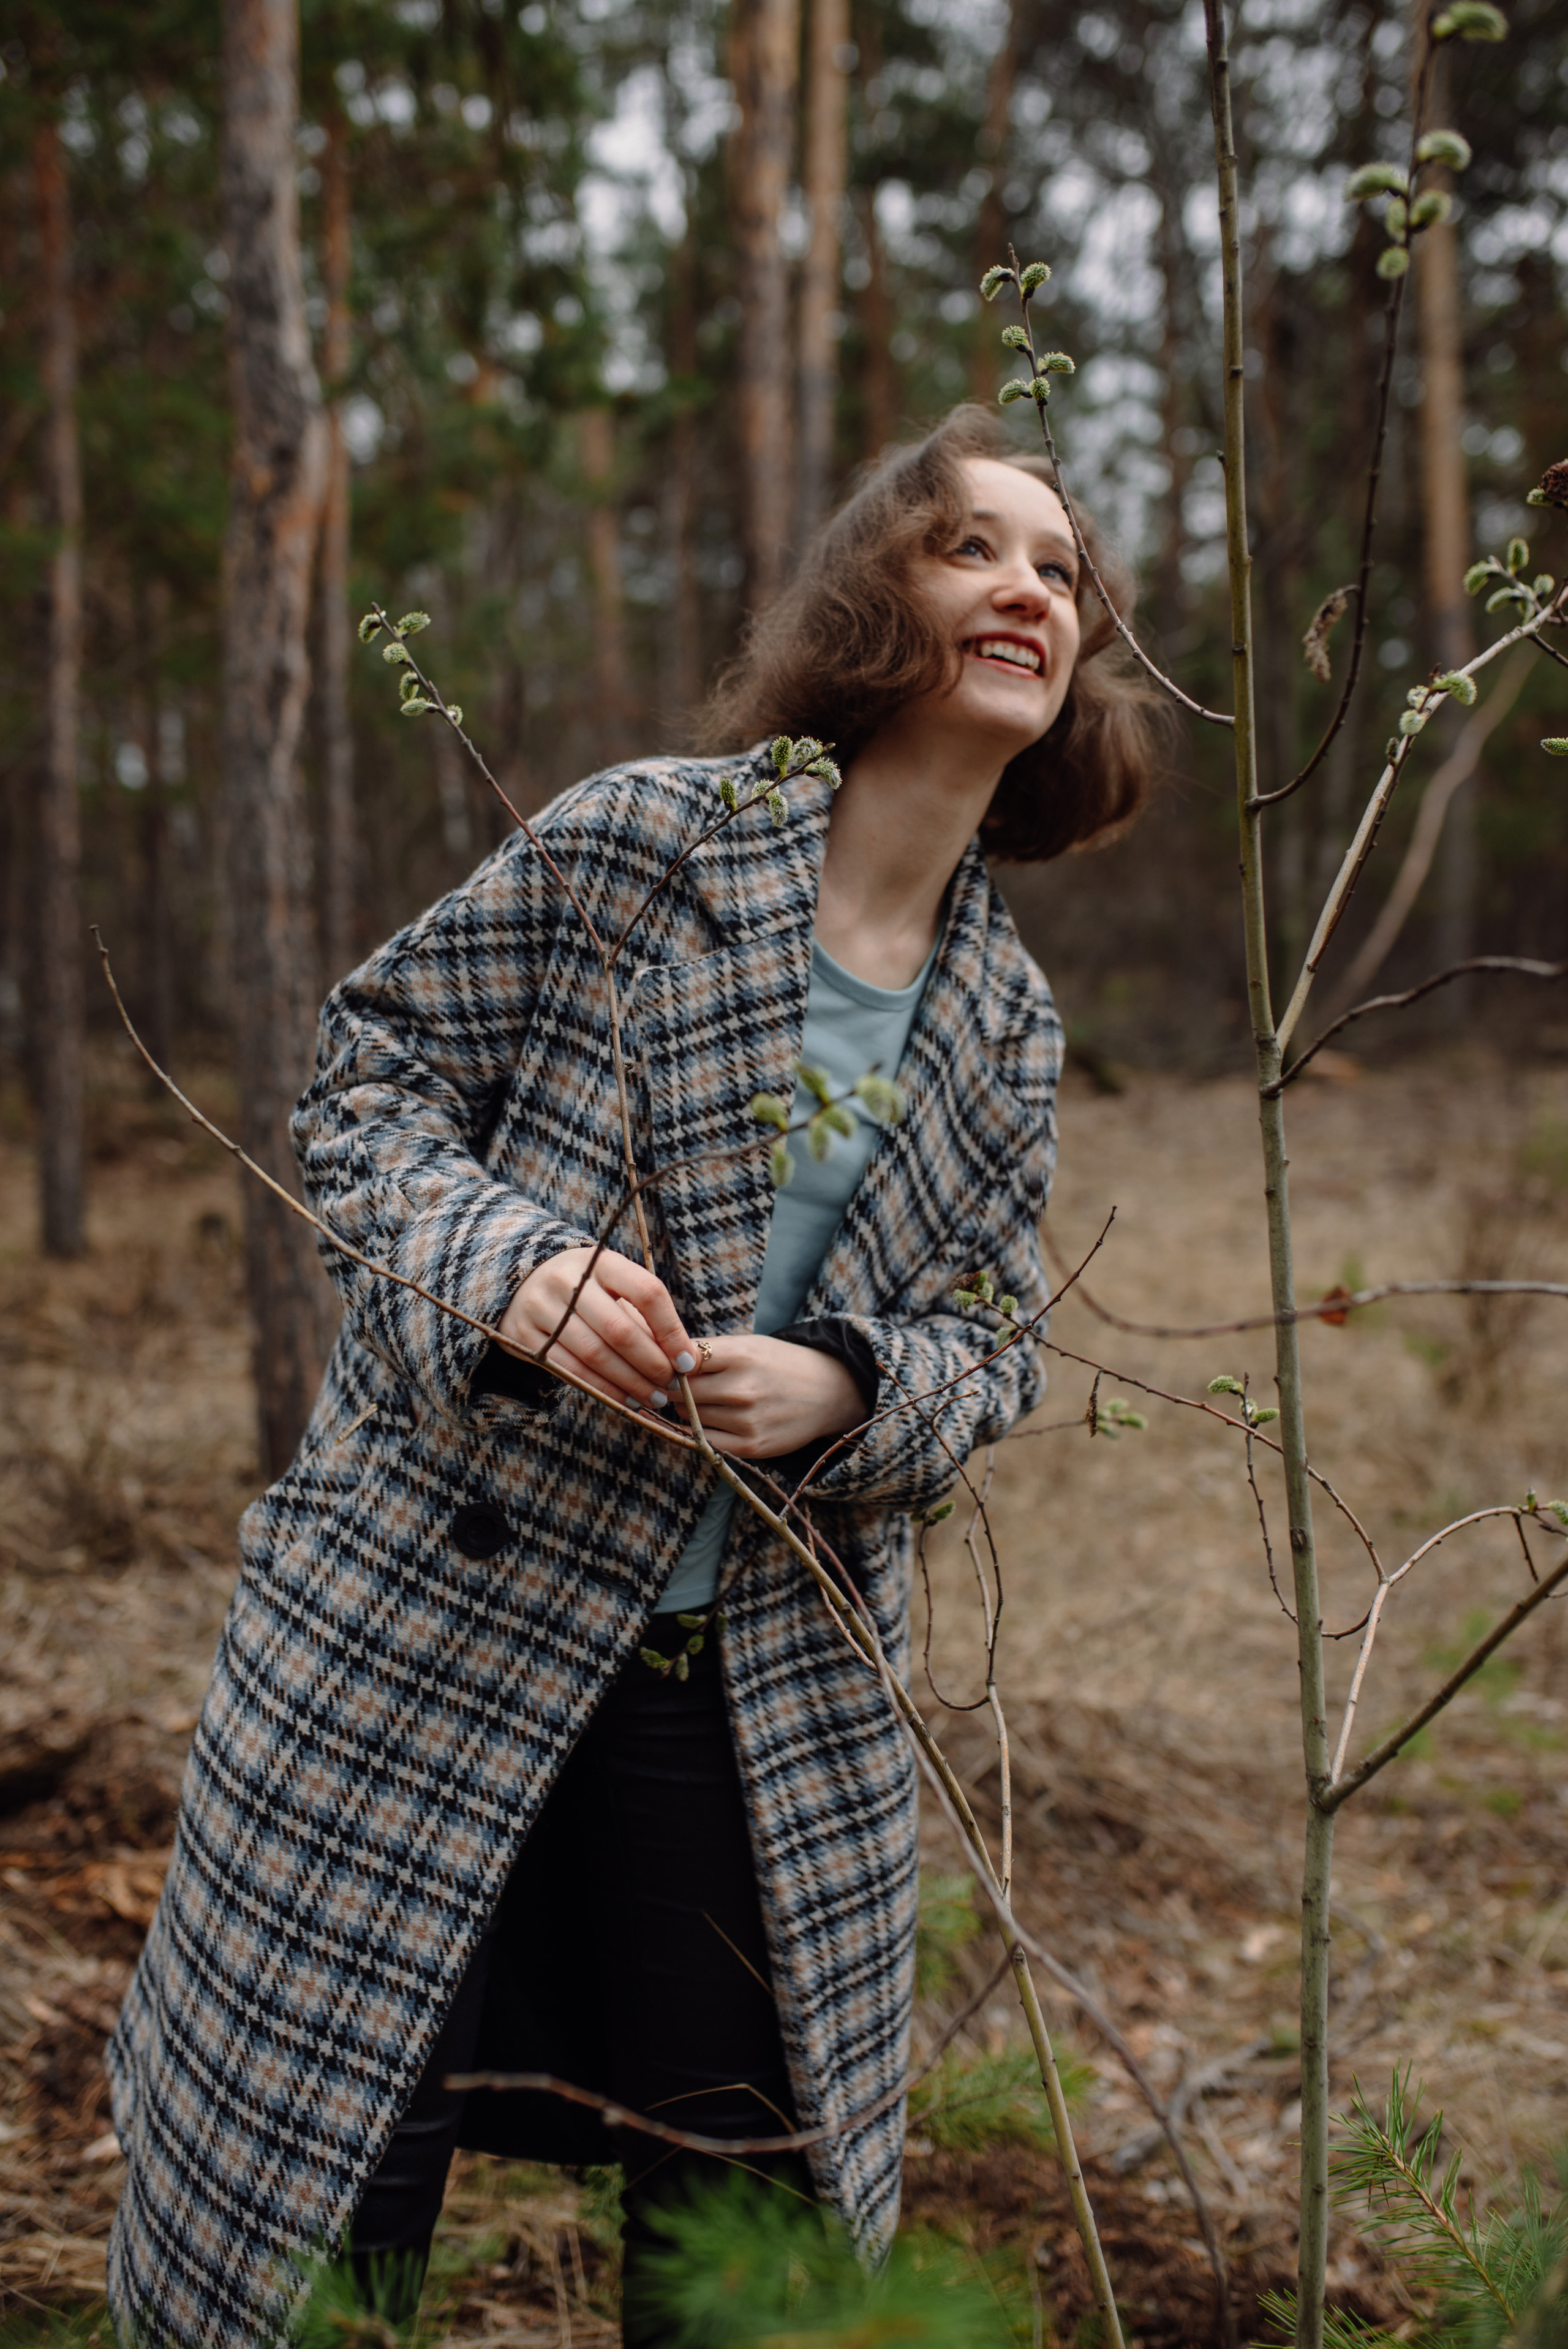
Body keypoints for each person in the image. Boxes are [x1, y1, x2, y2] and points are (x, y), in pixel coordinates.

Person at [105, 403, 1156, 2349]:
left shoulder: (1007, 1019)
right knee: (316, 2212)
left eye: (1063, 569)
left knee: (749, 2251)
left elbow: (996, 1338)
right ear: (872, 600)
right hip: (424, 1625)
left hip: (747, 1685)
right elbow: (364, 1084)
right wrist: (514, 1271)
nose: (1030, 588)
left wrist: (851, 1384)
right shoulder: (650, 838)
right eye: (973, 547)